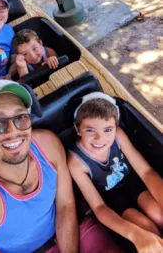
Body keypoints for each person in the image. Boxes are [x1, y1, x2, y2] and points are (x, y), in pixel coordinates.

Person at [0, 79, 124, 253]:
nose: (13, 131)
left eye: (21, 118)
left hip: (69, 234)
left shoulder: (48, 144)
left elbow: (65, 205)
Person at [68, 92, 163, 253]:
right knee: (147, 230)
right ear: (78, 128)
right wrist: (135, 235)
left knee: (159, 215)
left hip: (133, 182)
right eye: (90, 130)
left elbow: (146, 171)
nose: (100, 138)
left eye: (107, 130)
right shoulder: (76, 162)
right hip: (113, 197)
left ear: (116, 127)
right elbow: (99, 207)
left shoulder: (118, 136)